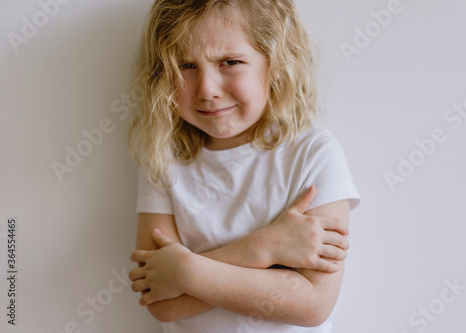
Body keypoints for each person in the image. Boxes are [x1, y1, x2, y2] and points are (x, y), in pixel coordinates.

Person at [127, 0, 361, 332]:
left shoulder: (313, 153)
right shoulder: (164, 157)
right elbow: (161, 303)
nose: (207, 90)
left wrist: (184, 272)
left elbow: (312, 304)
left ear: (275, 64)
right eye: (186, 65)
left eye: (230, 62)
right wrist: (260, 248)